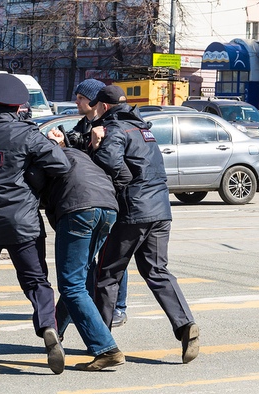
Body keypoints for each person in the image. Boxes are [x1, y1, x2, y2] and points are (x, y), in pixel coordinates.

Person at [0, 73, 71, 374]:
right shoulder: (27, 134)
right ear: (19, 106)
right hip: (22, 222)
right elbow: (61, 165)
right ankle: (48, 327)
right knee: (36, 281)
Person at [88, 85, 200, 366]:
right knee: (156, 270)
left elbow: (108, 161)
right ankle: (186, 325)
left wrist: (123, 179)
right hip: (161, 210)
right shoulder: (143, 129)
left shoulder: (115, 128)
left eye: (95, 106)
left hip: (134, 212)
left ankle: (103, 344)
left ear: (103, 106)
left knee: (107, 274)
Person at [33, 143, 125, 371]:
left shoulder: (42, 160)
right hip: (108, 207)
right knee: (78, 279)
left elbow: (35, 193)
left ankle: (106, 349)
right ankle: (56, 332)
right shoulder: (77, 154)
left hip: (79, 209)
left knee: (71, 285)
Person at [48, 78, 129, 327]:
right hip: (93, 198)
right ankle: (86, 305)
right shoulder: (85, 125)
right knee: (90, 260)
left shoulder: (110, 126)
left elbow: (113, 165)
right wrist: (65, 142)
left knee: (111, 259)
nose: (77, 101)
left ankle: (118, 307)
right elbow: (81, 149)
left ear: (95, 102)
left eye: (81, 98)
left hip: (109, 200)